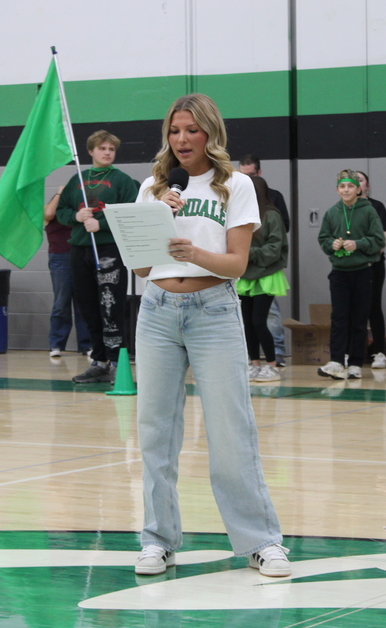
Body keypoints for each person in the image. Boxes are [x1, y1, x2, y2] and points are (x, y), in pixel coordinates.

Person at [132, 93, 289, 578]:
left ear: (210, 133)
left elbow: (237, 264)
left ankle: (261, 541)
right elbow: (141, 267)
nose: (181, 139)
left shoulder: (236, 184)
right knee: (155, 431)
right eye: (174, 130)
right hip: (157, 311)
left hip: (213, 310)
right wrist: (157, 217)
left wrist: (194, 253)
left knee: (230, 429)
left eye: (191, 130)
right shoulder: (152, 186)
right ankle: (157, 540)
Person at [56, 130, 139, 384]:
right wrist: (76, 217)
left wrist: (100, 224)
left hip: (108, 251)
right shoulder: (77, 179)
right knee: (88, 309)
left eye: (111, 149)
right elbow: (61, 210)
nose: (107, 153)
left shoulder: (122, 180)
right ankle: (99, 361)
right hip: (79, 250)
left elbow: (129, 212)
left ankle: (117, 362)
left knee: (110, 307)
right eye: (102, 148)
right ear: (91, 151)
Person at [317, 170, 385, 380]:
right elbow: (323, 238)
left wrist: (359, 244)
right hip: (339, 273)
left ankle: (356, 363)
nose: (346, 190)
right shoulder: (331, 213)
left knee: (359, 319)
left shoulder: (369, 211)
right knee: (339, 318)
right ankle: (337, 360)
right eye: (342, 186)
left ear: (358, 189)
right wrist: (331, 244)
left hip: (363, 271)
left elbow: (378, 240)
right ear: (337, 189)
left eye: (350, 186)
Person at [239, 154, 290, 367]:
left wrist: (248, 254)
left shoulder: (272, 215)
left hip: (267, 275)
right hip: (246, 275)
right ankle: (254, 362)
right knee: (248, 323)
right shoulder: (241, 215)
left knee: (261, 321)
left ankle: (272, 362)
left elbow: (275, 247)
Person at [43, 185, 92, 358]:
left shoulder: (77, 211)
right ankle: (56, 344)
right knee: (61, 302)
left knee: (83, 302)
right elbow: (49, 214)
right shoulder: (52, 209)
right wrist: (59, 192)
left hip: (81, 255)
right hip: (60, 257)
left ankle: (86, 344)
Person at [355, 170, 386, 369]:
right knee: (355, 309)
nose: (357, 183)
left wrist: (364, 249)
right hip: (352, 265)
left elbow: (384, 237)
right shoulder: (345, 209)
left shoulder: (377, 206)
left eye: (360, 180)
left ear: (367, 186)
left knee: (373, 307)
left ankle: (379, 352)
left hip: (374, 264)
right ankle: (355, 353)